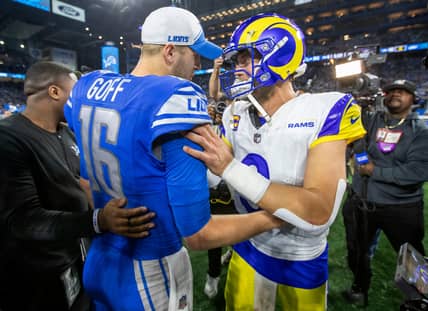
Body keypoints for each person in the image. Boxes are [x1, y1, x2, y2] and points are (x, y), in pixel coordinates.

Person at [64, 7, 283, 311]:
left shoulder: (89, 86)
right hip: (149, 269)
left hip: (101, 255)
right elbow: (197, 234)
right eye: (193, 53)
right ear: (170, 51)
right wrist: (272, 218)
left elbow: (86, 179)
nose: (198, 62)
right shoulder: (176, 96)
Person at [183, 13, 366, 310]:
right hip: (247, 247)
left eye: (246, 58)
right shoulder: (235, 112)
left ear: (279, 54)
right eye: (237, 60)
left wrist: (230, 168)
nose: (237, 68)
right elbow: (214, 175)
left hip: (299, 260)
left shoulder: (325, 109)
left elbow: (318, 210)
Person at [0, 61, 155, 311]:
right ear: (54, 92)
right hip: (34, 278)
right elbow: (22, 221)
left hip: (74, 260)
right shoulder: (8, 138)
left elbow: (80, 182)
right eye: (75, 90)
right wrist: (98, 221)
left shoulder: (66, 133)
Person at [342, 79, 428, 306]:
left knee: (412, 256)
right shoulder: (372, 121)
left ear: (413, 99)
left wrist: (374, 171)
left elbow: (417, 171)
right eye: (390, 91)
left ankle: (419, 300)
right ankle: (359, 289)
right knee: (357, 251)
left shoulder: (420, 131)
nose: (395, 94)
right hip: (362, 203)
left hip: (401, 207)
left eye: (402, 91)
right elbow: (353, 131)